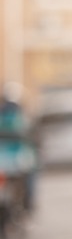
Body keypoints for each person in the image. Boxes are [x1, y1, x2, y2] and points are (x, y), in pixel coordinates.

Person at [0, 81, 37, 214]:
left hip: (9, 161)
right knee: (30, 175)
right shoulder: (21, 117)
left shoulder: (8, 116)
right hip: (17, 160)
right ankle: (29, 205)